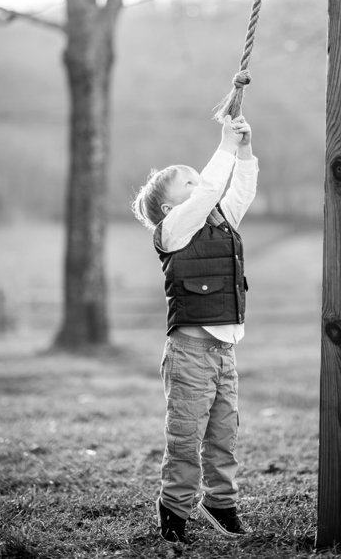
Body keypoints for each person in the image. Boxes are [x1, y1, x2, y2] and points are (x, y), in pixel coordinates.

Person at [131, 114, 257, 544]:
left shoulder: (220, 221)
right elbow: (206, 194)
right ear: (170, 209)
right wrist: (223, 144)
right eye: (188, 183)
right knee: (186, 438)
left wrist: (243, 151)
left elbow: (240, 190)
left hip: (224, 354)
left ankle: (221, 502)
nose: (199, 184)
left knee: (224, 435)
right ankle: (174, 509)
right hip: (190, 354)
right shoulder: (174, 231)